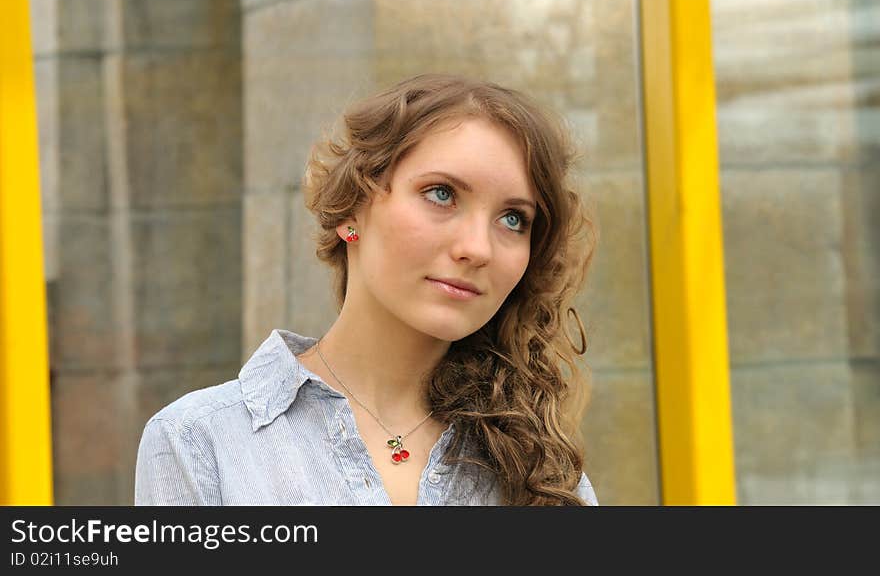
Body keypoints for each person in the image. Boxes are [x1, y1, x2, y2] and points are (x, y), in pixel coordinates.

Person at [135, 73, 599, 506]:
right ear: (351, 210)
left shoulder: (542, 468)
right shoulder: (200, 441)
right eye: (441, 194)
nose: (477, 248)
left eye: (513, 219)